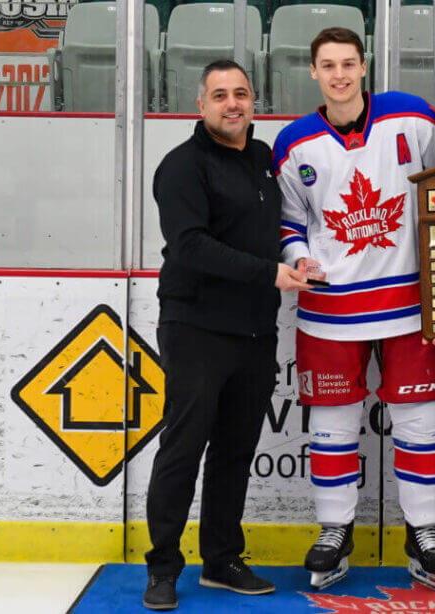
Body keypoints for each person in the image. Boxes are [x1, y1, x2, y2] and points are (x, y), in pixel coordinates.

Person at [273, 27, 435, 591]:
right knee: (331, 425)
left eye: (348, 63)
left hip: (409, 305)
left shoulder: (413, 117)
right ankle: (335, 529)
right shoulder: (293, 142)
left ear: (364, 65)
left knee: (421, 421)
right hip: (329, 309)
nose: (340, 74)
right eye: (328, 65)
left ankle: (424, 532)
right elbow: (289, 222)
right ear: (313, 71)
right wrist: (300, 258)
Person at [143, 59, 312, 611]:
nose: (232, 103)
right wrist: (268, 273)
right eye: (220, 95)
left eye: (241, 93)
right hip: (196, 327)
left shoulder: (264, 160)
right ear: (201, 104)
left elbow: (277, 231)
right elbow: (189, 245)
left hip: (255, 330)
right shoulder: (181, 166)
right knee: (183, 447)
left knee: (235, 451)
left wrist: (296, 261)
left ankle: (221, 559)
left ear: (253, 101)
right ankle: (163, 566)